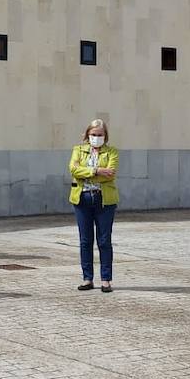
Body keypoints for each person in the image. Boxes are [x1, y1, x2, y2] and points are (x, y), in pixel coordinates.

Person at [68, 118, 118, 292]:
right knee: (85, 240)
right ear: (87, 135)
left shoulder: (111, 152)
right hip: (82, 198)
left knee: (104, 240)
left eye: (100, 135)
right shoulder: (78, 150)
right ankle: (87, 278)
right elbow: (73, 169)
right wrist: (97, 171)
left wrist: (85, 173)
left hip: (104, 200)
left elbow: (110, 174)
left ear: (105, 136)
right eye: (93, 134)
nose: (96, 137)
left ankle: (106, 279)